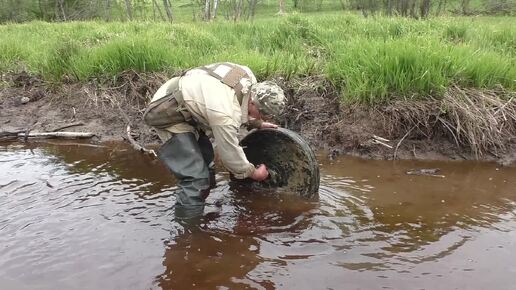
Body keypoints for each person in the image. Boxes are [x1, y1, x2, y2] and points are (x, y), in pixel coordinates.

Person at [143, 62, 286, 212]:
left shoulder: (248, 76)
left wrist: (258, 123)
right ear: (252, 102)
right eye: (262, 113)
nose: (264, 117)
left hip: (193, 102)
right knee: (195, 178)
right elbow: (230, 156)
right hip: (167, 109)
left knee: (207, 164)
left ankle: (199, 206)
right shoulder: (225, 114)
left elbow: (242, 107)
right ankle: (190, 231)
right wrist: (254, 173)